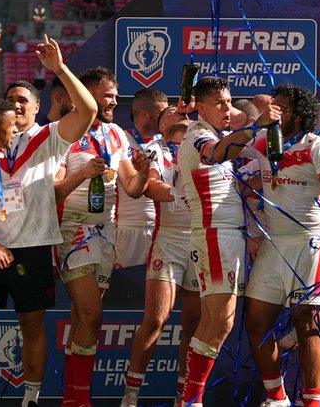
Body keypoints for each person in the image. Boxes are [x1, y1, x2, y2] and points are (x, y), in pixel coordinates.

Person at [0, 38, 97, 407]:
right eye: (12, 98)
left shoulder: (46, 138)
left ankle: (31, 398)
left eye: (25, 99)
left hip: (31, 249)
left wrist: (60, 69)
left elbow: (87, 110)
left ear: (38, 108)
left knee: (32, 326)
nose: (17, 103)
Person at [243, 85, 320, 407]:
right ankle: (277, 398)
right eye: (272, 106)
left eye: (281, 108)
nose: (275, 113)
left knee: (305, 323)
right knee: (256, 323)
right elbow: (226, 154)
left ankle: (312, 401)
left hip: (309, 243)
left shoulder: (319, 148)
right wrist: (255, 125)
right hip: (274, 244)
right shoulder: (261, 140)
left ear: (299, 114)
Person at [52, 67, 151, 405]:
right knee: (92, 314)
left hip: (106, 231)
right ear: (88, 95)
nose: (113, 101)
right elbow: (53, 194)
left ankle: (73, 397)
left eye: (114, 95)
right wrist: (82, 172)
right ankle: (80, 400)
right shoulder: (64, 133)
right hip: (72, 229)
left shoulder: (117, 135)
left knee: (85, 319)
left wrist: (143, 172)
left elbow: (133, 189)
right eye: (107, 95)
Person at [177, 76, 278, 406]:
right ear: (202, 108)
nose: (227, 108)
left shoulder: (219, 135)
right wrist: (254, 126)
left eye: (230, 101)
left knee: (215, 321)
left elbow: (250, 150)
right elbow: (214, 154)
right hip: (214, 234)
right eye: (220, 103)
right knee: (220, 321)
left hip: (228, 236)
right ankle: (192, 399)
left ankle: (190, 399)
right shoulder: (198, 136)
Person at [120, 116, 200, 407]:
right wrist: (185, 194)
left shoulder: (209, 151)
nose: (185, 126)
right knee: (155, 319)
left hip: (203, 240)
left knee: (193, 323)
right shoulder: (159, 152)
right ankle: (131, 394)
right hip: (169, 239)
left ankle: (184, 394)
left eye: (190, 125)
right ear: (164, 129)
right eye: (177, 124)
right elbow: (150, 187)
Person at [116, 89, 169, 269]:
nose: (166, 119)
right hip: (126, 229)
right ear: (145, 115)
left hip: (160, 229)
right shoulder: (120, 140)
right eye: (161, 114)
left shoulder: (165, 143)